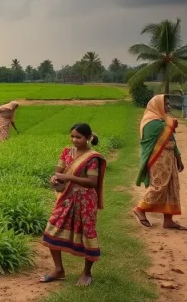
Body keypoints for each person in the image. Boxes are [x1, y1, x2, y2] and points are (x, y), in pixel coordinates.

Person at [40, 123, 105, 287]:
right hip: (66, 197)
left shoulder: (92, 157)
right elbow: (59, 173)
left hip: (85, 200)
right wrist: (55, 179)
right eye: (72, 136)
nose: (74, 140)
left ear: (88, 138)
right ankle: (59, 269)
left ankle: (87, 273)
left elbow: (91, 182)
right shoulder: (67, 152)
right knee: (52, 228)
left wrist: (69, 178)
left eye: (79, 137)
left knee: (86, 234)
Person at [133, 95, 186, 230]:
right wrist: (170, 124)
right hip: (158, 158)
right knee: (160, 185)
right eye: (166, 104)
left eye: (168, 104)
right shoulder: (150, 122)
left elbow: (171, 138)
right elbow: (159, 134)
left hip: (169, 157)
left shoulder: (163, 120)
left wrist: (178, 157)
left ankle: (168, 221)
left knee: (172, 186)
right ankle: (140, 209)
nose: (169, 107)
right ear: (157, 105)